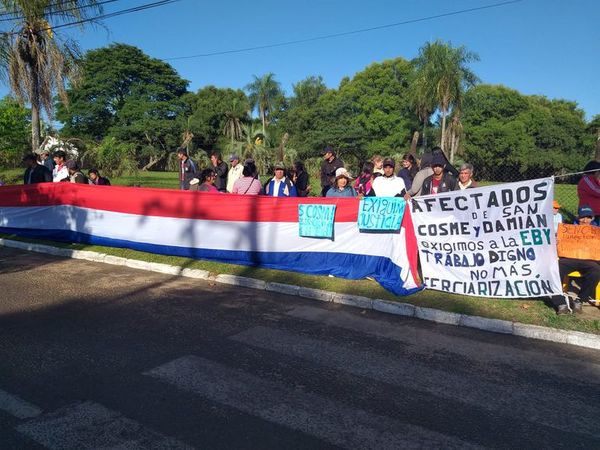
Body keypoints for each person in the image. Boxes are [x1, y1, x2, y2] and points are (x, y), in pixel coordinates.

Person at [550, 205, 600, 314]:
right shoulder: (568, 230)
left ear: (592, 218)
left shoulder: (597, 232)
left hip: (589, 261)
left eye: (588, 217)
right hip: (569, 259)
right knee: (554, 270)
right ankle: (560, 303)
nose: (585, 220)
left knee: (596, 272)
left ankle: (580, 301)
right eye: (582, 217)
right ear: (578, 218)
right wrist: (558, 242)